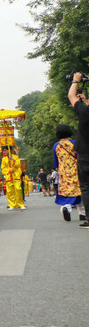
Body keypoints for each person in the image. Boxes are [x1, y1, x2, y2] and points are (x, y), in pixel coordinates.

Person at [68, 72, 89, 228]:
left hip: (85, 154)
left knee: (86, 186)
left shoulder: (84, 112)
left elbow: (71, 95)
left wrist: (76, 80)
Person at [53, 125, 84, 222]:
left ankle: (66, 207)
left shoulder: (56, 146)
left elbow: (55, 162)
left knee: (65, 191)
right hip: (75, 170)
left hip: (63, 172)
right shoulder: (73, 143)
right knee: (79, 190)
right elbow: (79, 156)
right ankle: (82, 213)